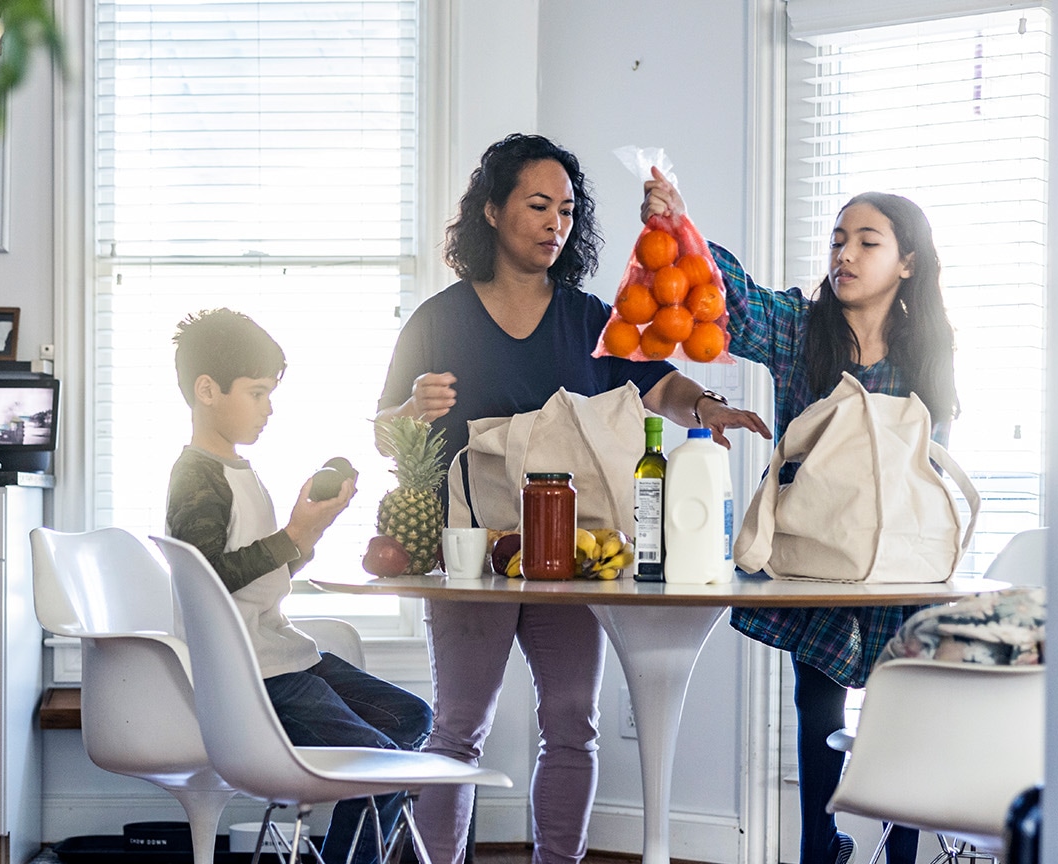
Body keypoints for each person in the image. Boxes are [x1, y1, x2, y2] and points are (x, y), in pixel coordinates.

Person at [375, 133, 771, 864]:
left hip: (572, 550)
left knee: (571, 721)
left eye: (566, 209)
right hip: (471, 552)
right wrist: (408, 411)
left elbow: (658, 385)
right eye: (537, 205)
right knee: (460, 723)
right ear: (491, 211)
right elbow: (383, 434)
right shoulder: (438, 320)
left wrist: (707, 406)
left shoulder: (589, 318)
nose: (555, 223)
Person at [643, 170, 958, 864]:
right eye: (839, 240)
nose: (844, 254)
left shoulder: (929, 352)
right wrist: (681, 227)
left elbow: (935, 458)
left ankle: (899, 854)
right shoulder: (798, 329)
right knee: (816, 704)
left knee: (896, 711)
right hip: (814, 552)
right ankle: (821, 848)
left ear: (906, 262)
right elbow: (735, 302)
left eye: (866, 243)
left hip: (897, 563)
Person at [165, 308, 433, 864]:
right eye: (257, 393)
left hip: (285, 657)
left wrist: (309, 533)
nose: (269, 408)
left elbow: (260, 578)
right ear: (207, 390)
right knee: (381, 767)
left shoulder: (240, 469)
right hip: (253, 675)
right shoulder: (197, 476)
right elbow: (210, 578)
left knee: (412, 720)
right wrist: (292, 535)